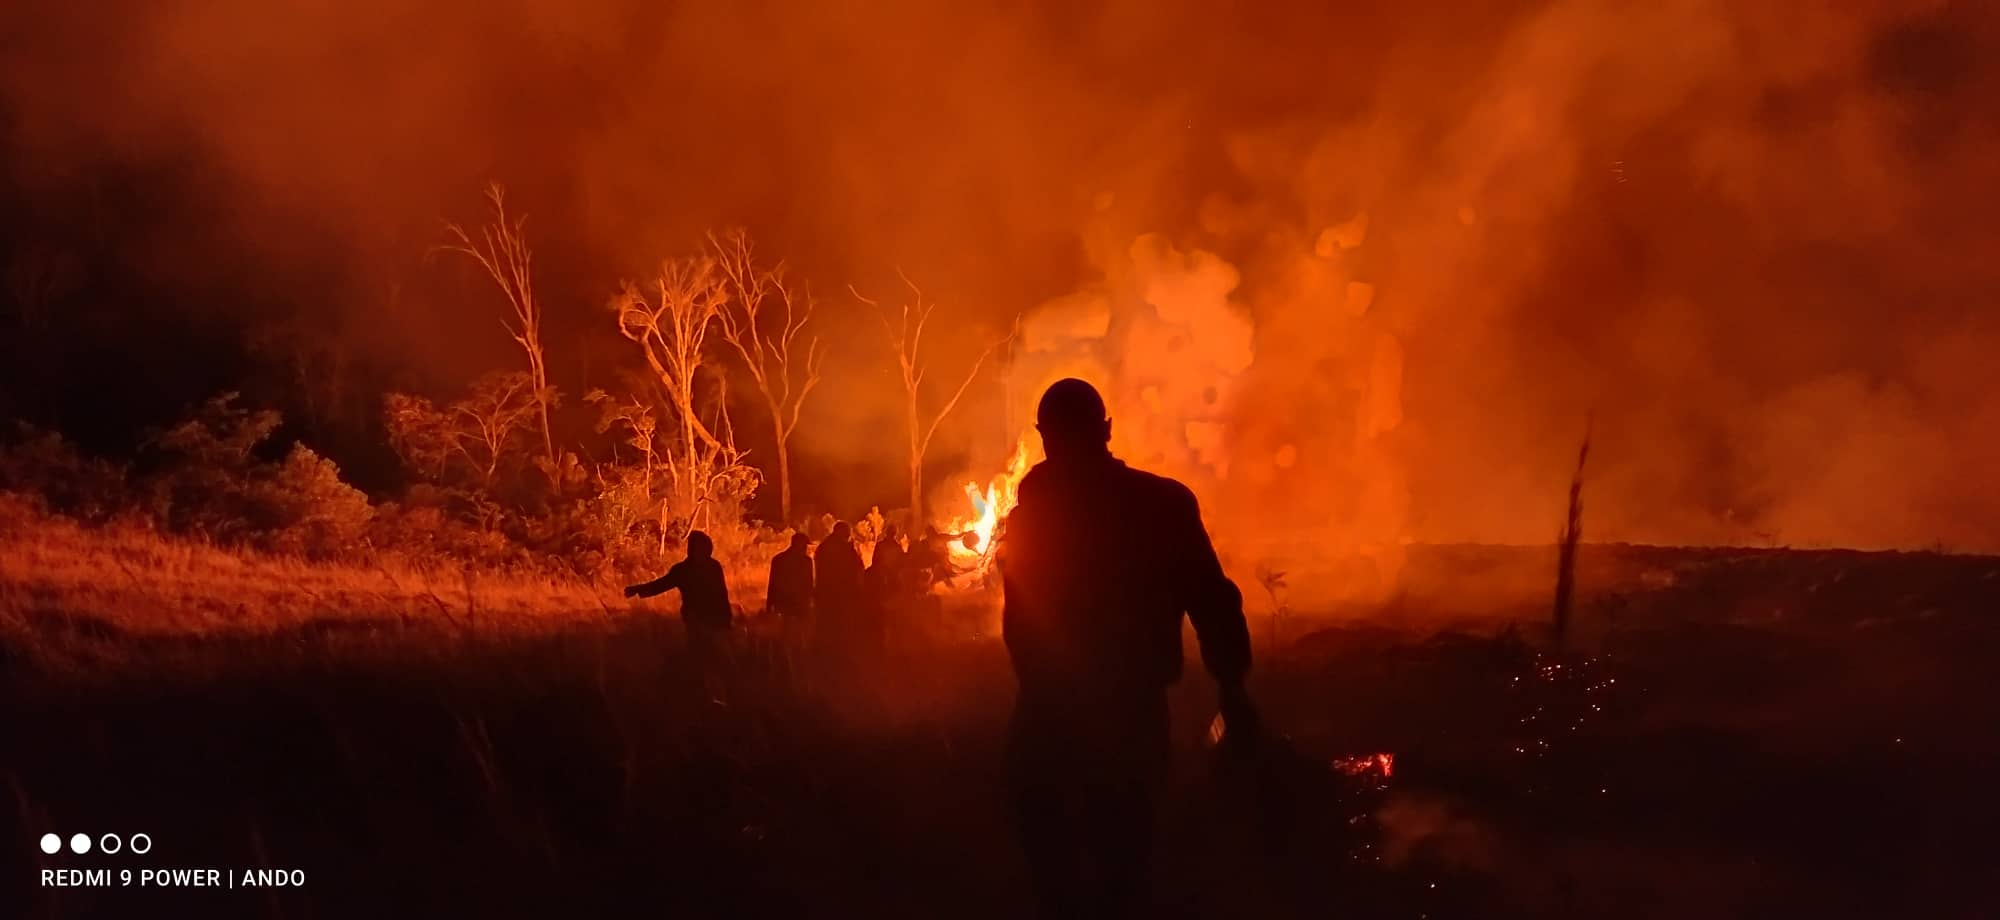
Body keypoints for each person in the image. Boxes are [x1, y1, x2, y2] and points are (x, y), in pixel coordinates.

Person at [1000, 378, 1255, 918]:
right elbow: (1214, 603)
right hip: (1130, 715)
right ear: (1107, 430)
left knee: (1053, 870)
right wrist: (1232, 687)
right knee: (1124, 864)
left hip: (1048, 716)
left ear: (1045, 438)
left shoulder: (1033, 517)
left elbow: (1018, 622)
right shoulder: (1163, 504)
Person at [626, 530, 734, 663]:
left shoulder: (713, 567)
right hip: (695, 620)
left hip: (714, 620)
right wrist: (637, 589)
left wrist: (726, 618)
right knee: (699, 655)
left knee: (714, 657)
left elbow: (722, 594)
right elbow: (661, 585)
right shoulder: (684, 570)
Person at [813, 521, 865, 644]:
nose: (849, 536)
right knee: (840, 627)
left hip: (826, 592)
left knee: (827, 626)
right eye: (847, 534)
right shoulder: (844, 548)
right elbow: (856, 567)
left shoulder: (824, 546)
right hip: (841, 593)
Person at [767, 531, 815, 632]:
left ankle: (787, 646)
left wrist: (770, 603)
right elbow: (809, 583)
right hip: (799, 603)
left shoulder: (778, 559)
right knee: (800, 630)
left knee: (786, 629)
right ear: (799, 544)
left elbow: (773, 583)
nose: (806, 548)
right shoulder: (806, 561)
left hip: (785, 602)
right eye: (805, 545)